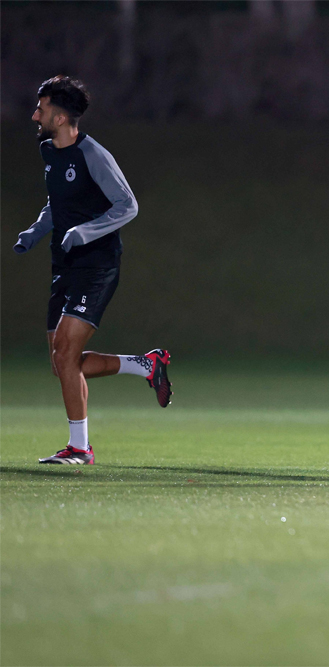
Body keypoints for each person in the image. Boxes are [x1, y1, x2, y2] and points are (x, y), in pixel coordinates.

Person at [14, 76, 171, 465]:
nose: (35, 115)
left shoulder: (93, 155)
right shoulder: (50, 151)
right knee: (61, 363)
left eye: (43, 109)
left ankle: (81, 448)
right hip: (63, 264)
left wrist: (84, 232)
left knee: (66, 352)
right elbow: (58, 204)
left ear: (63, 116)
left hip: (96, 266)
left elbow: (127, 206)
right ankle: (146, 365)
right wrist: (35, 231)